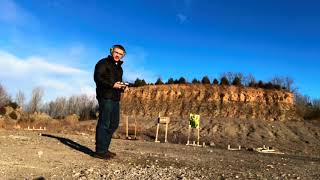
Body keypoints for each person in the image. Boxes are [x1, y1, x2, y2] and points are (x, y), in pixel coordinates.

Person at [93, 44, 128, 160]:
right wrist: (112, 85)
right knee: (104, 122)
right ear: (112, 51)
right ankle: (100, 151)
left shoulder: (119, 68)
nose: (118, 55)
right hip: (105, 96)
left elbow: (118, 83)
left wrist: (123, 87)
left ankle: (104, 149)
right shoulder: (103, 63)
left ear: (123, 56)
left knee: (114, 123)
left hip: (115, 98)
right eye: (116, 52)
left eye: (121, 54)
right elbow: (98, 78)